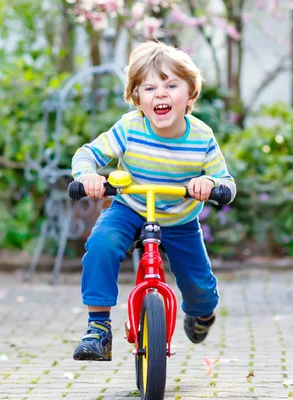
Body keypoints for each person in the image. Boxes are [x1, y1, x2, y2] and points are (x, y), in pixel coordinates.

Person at [71, 41, 236, 361]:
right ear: (137, 99)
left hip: (179, 218)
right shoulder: (130, 128)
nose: (160, 93)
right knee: (101, 244)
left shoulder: (202, 136)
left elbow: (225, 181)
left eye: (171, 85)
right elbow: (87, 153)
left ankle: (201, 314)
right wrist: (87, 175)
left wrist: (209, 182)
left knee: (200, 290)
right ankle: (98, 328)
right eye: (149, 88)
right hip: (130, 208)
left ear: (190, 95)